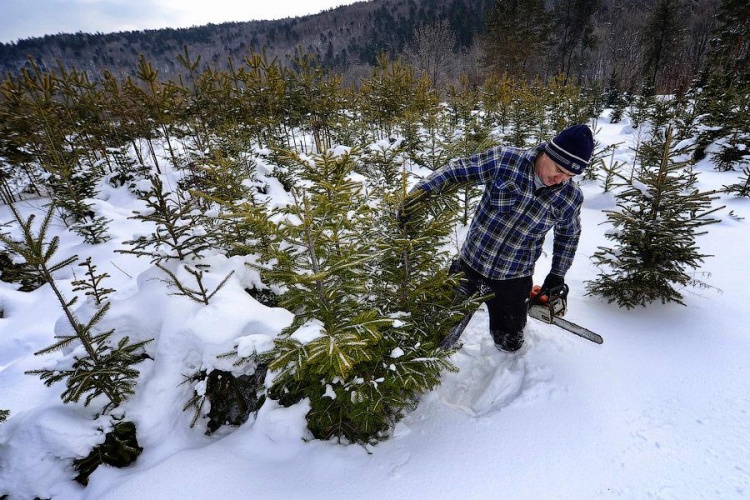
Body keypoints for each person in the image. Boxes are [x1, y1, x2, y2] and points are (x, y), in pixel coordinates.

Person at [402, 124, 594, 352]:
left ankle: (508, 351)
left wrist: (557, 274)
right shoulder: (505, 160)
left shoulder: (570, 197)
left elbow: (568, 236)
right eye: (558, 169)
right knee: (438, 336)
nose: (560, 179)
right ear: (547, 153)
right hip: (470, 265)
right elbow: (456, 170)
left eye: (569, 176)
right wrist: (417, 196)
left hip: (514, 278)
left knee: (510, 343)